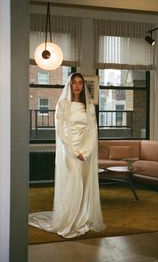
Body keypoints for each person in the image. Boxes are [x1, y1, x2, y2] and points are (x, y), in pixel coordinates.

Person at [29, 72, 106, 238]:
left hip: (86, 151)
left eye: (80, 82)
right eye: (74, 82)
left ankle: (81, 218)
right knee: (74, 182)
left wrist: (86, 151)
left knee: (84, 185)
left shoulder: (89, 105)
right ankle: (69, 220)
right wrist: (74, 151)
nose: (77, 85)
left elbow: (93, 130)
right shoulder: (63, 104)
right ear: (69, 85)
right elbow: (60, 131)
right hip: (70, 150)